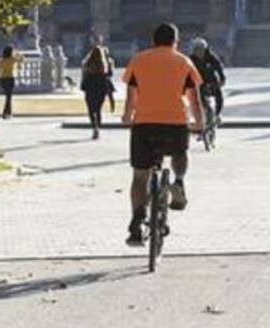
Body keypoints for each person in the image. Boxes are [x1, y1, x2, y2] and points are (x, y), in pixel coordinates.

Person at [122, 23, 204, 247]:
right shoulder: (184, 62)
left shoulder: (138, 60)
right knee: (180, 152)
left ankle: (138, 220)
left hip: (144, 124)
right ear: (175, 42)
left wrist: (127, 117)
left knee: (140, 176)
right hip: (174, 122)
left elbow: (131, 97)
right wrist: (199, 124)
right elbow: (194, 99)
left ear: (153, 40)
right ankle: (178, 182)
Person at [189, 38, 226, 122]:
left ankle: (217, 114)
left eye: (201, 50)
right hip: (199, 81)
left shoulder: (211, 57)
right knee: (198, 96)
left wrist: (222, 78)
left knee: (218, 95)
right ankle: (204, 113)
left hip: (211, 80)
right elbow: (186, 71)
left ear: (205, 49)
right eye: (196, 50)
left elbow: (219, 68)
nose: (199, 52)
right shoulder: (191, 59)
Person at [80, 45, 113, 139]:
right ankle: (98, 126)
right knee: (98, 109)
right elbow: (108, 76)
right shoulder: (104, 65)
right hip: (101, 88)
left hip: (90, 88)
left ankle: (94, 126)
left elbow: (84, 76)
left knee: (91, 109)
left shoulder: (87, 64)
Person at [0, 45, 19, 119]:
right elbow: (22, 59)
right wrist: (16, 53)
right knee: (9, 97)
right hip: (10, 78)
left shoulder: (2, 60)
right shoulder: (12, 59)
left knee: (8, 97)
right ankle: (7, 113)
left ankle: (7, 112)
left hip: (3, 78)